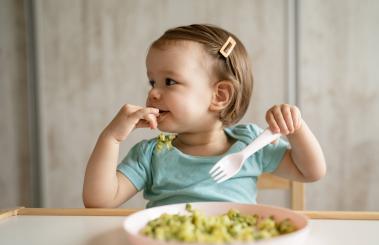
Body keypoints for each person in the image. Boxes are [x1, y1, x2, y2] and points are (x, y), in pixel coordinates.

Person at [83, 24, 326, 208]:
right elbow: (99, 201)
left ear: (219, 95)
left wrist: (296, 127)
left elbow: (310, 171)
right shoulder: (150, 155)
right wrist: (111, 138)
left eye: (169, 82)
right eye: (152, 81)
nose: (153, 92)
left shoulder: (251, 144)